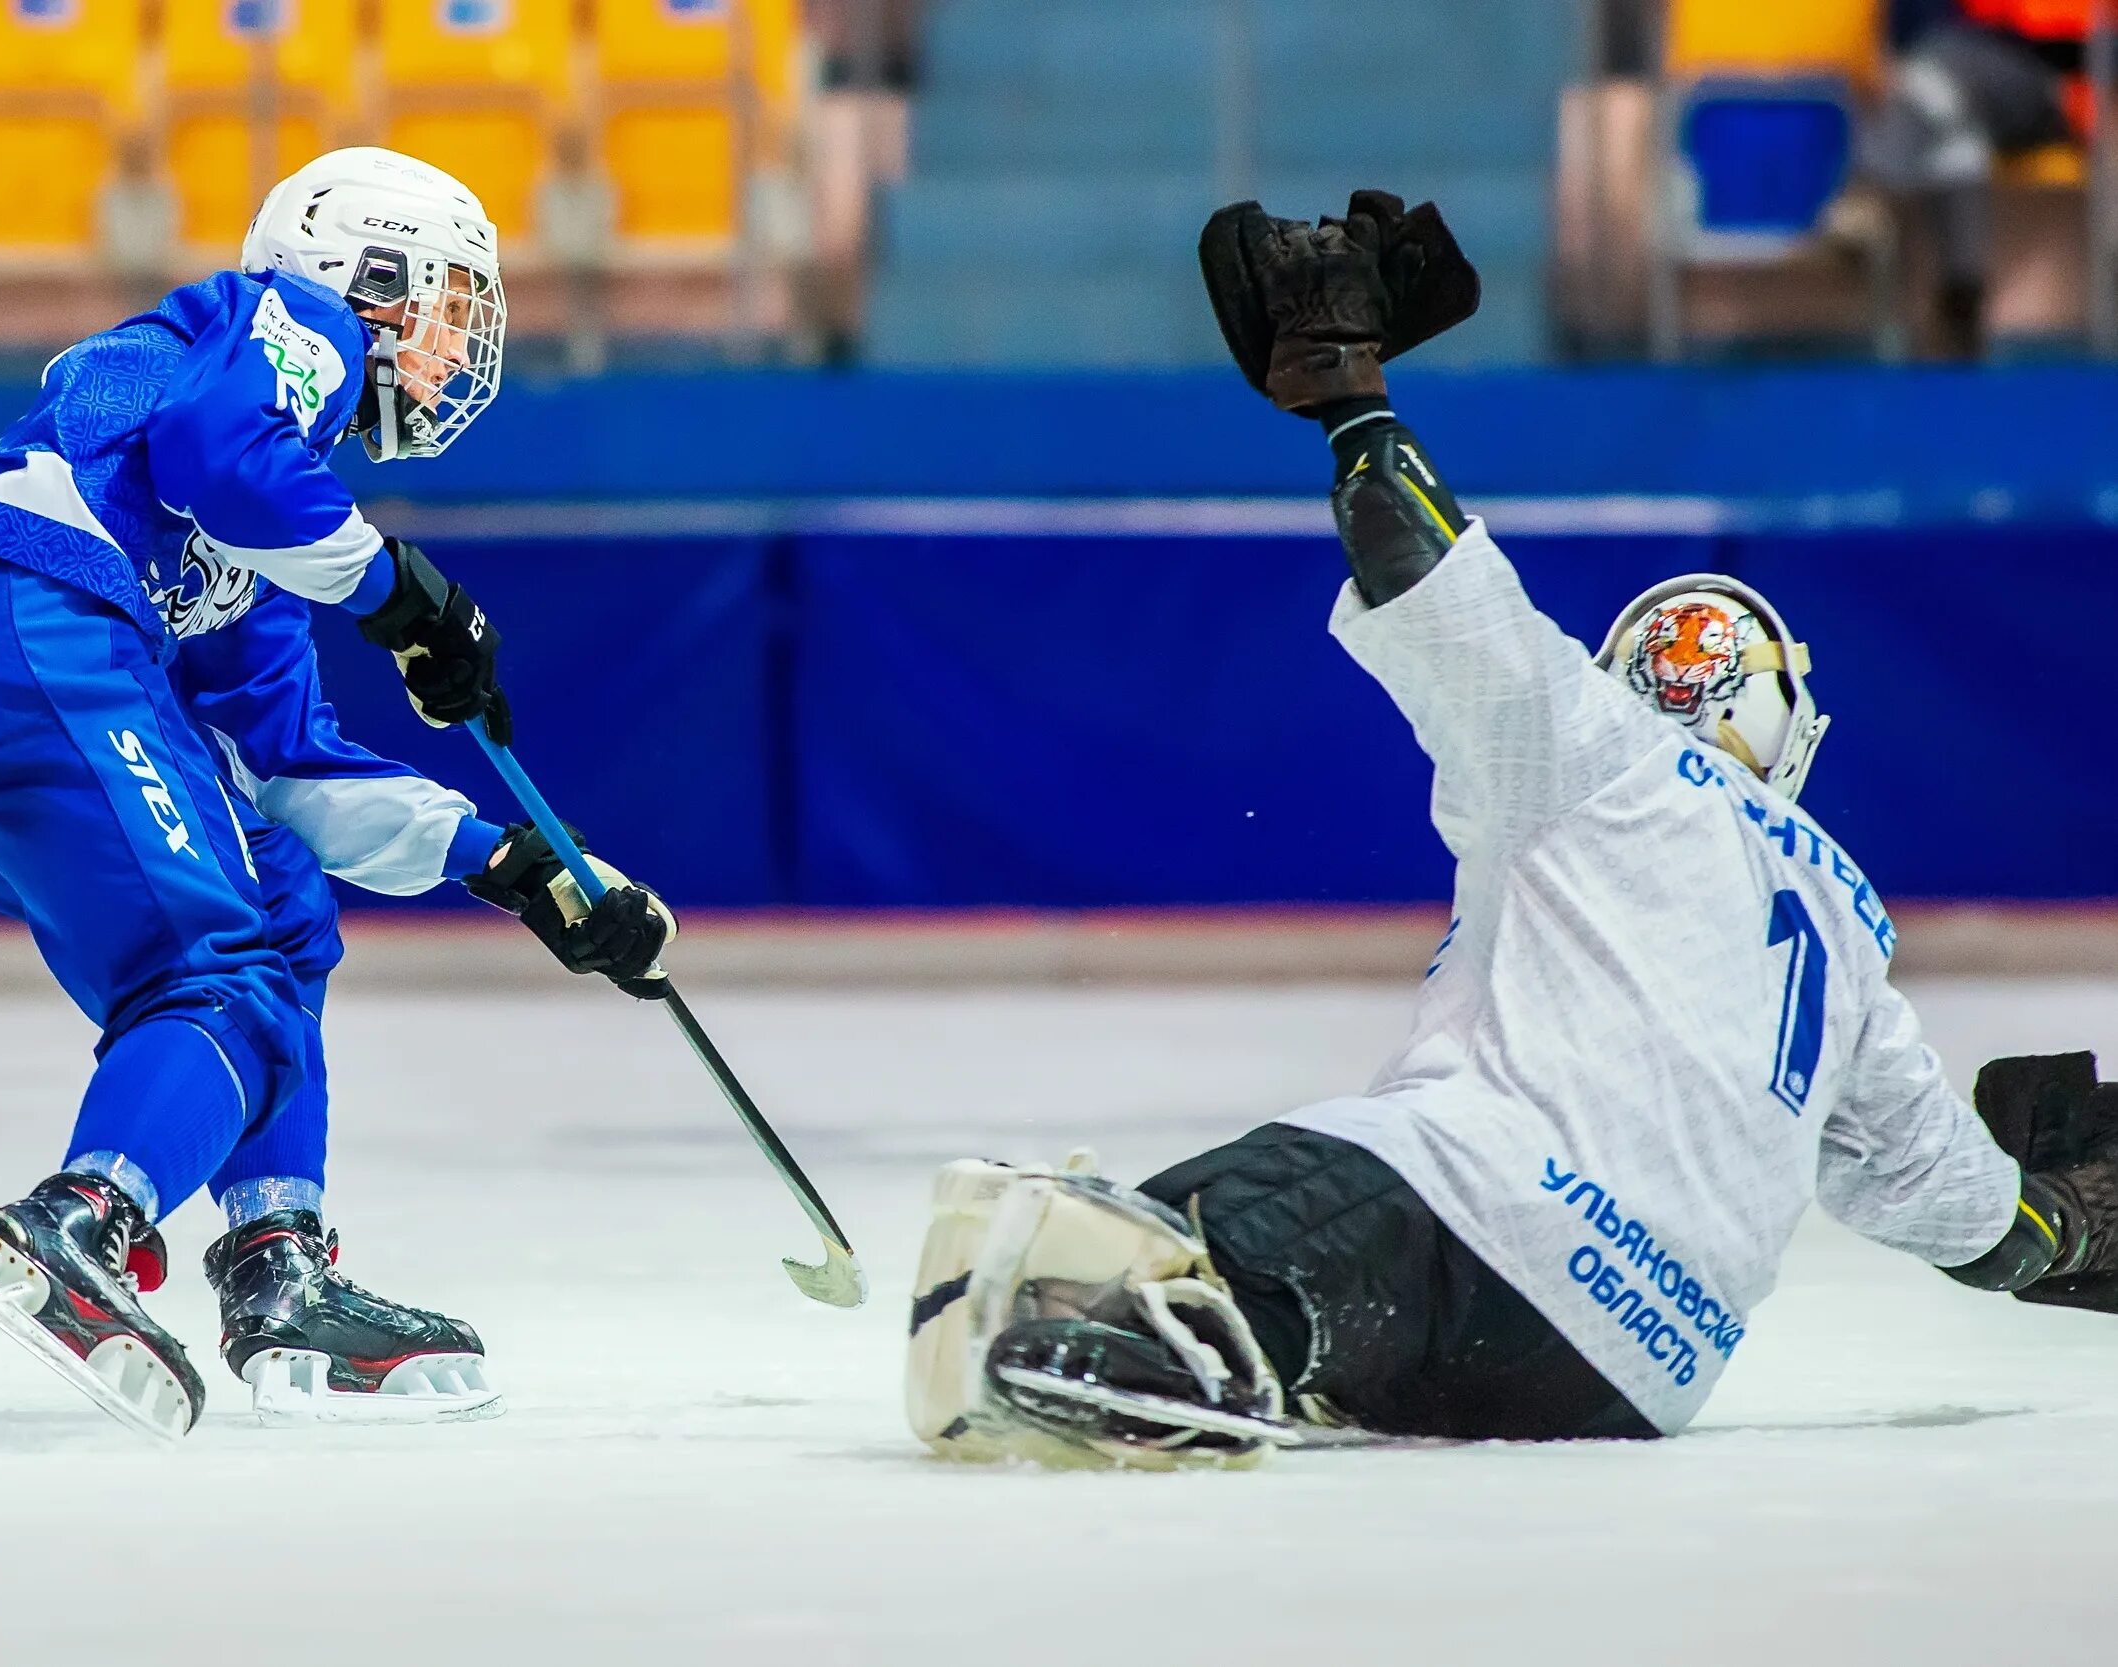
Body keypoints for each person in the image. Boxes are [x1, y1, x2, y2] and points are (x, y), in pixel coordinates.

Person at [904, 194, 2118, 1465]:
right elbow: (1943, 1198)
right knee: (1271, 1294)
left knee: (1124, 1263)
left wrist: (1352, 402)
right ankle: (1236, 1345)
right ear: (1781, 736)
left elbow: (1430, 580)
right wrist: (2063, 1228)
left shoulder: (1597, 746)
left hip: (1475, 1208)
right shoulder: (1847, 917)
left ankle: (1169, 1345)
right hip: (1638, 1372)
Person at [0, 147, 676, 1441]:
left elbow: (293, 769)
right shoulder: (285, 326)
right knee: (216, 968)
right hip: (15, 624)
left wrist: (515, 861)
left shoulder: (248, 545)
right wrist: (401, 592)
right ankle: (80, 1224)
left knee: (273, 892)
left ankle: (278, 1260)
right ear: (367, 277)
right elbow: (227, 451)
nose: (451, 347)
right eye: (439, 306)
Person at [1865, 0, 2102, 358]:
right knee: (1956, 138)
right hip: (1942, 95)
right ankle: (1963, 297)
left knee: (1935, 82)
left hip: (2046, 86)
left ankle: (1875, 168)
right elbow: (1899, 39)